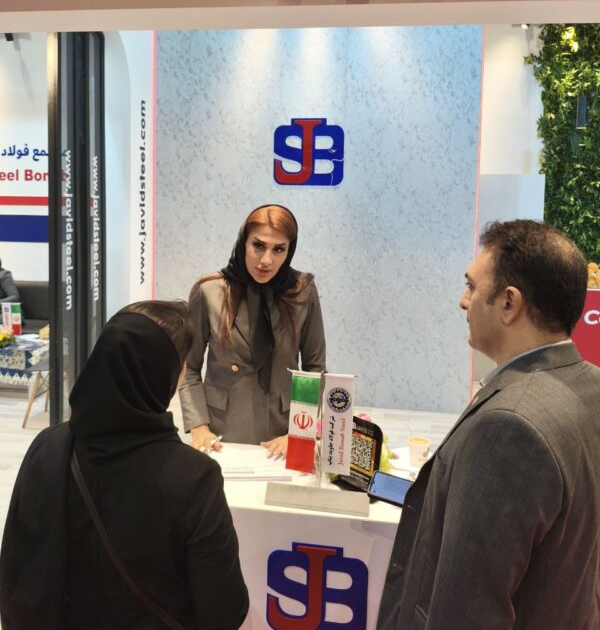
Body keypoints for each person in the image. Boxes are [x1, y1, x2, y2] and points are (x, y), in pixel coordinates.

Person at [377, 220, 600, 630]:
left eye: (472, 286)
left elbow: (468, 612)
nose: (463, 301)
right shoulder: (590, 385)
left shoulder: (507, 428)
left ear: (509, 303)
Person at [0, 300, 249, 630]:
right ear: (166, 373)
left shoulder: (48, 447)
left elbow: (16, 572)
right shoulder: (195, 478)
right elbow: (225, 610)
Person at [179, 204, 326, 457]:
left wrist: (299, 432)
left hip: (283, 432)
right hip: (220, 433)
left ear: (289, 250)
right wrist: (199, 426)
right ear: (243, 242)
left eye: (279, 249)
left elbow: (315, 369)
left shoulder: (302, 291)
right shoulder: (209, 291)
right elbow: (189, 366)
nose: (266, 260)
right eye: (258, 245)